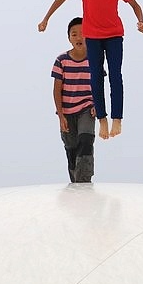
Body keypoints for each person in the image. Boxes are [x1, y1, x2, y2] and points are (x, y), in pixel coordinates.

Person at [38, 0, 143, 140]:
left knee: (115, 75)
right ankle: (102, 119)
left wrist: (141, 21)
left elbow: (134, 4)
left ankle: (117, 118)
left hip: (113, 35)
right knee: (96, 77)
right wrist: (46, 18)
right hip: (93, 37)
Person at [51, 17, 96, 183]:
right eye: (74, 34)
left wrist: (98, 105)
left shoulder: (94, 58)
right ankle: (75, 181)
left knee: (86, 139)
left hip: (86, 108)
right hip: (67, 112)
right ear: (69, 38)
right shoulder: (61, 60)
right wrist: (61, 115)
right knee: (71, 148)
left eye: (83, 33)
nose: (79, 37)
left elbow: (99, 84)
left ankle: (84, 180)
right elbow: (57, 89)